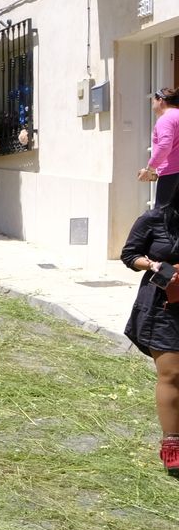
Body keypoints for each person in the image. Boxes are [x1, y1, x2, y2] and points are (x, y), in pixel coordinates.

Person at [120, 188, 179, 478]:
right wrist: (154, 264)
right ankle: (172, 447)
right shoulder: (154, 220)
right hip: (164, 306)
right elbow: (129, 255)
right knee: (172, 374)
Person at [138, 88, 179, 207]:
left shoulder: (166, 119)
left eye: (153, 101)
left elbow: (164, 146)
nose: (153, 104)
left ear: (160, 100)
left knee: (162, 215)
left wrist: (150, 168)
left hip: (171, 174)